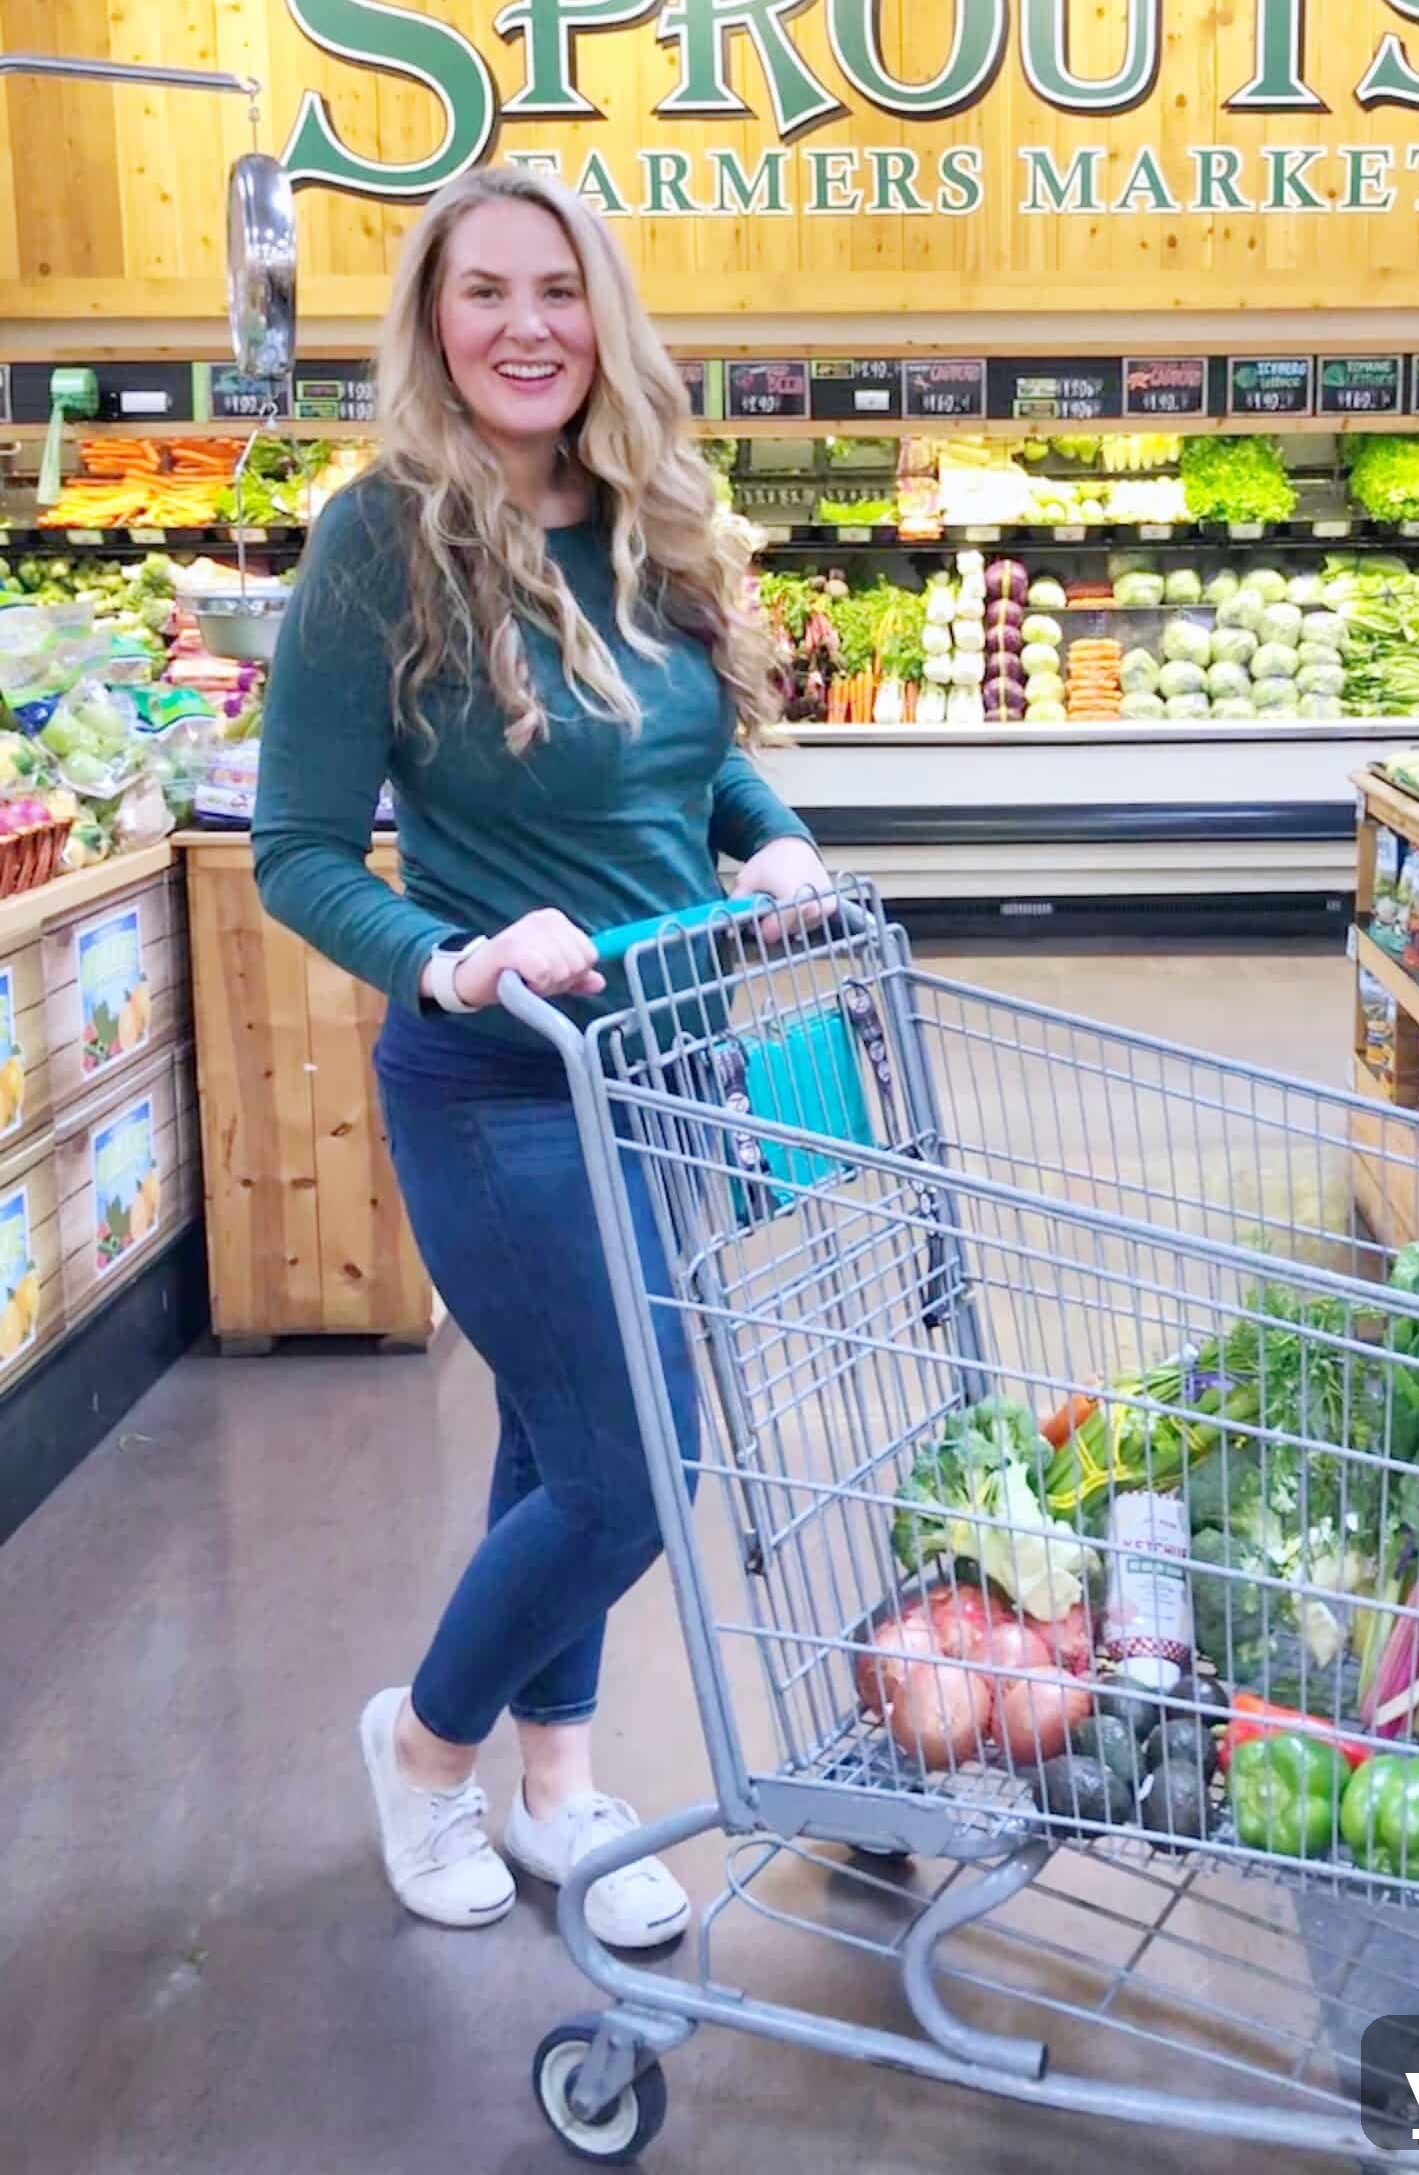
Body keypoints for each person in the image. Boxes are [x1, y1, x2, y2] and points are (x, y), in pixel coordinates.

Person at [254, 167, 824, 1942]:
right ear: (434, 319)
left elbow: (690, 755)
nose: (526, 328)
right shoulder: (382, 540)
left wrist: (774, 834)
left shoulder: (646, 508)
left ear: (606, 317)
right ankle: (425, 1755)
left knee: (556, 1439)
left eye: (558, 292)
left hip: (673, 1070)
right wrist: (451, 960)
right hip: (503, 1088)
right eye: (484, 292)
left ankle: (558, 1785)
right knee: (632, 1463)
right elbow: (295, 851)